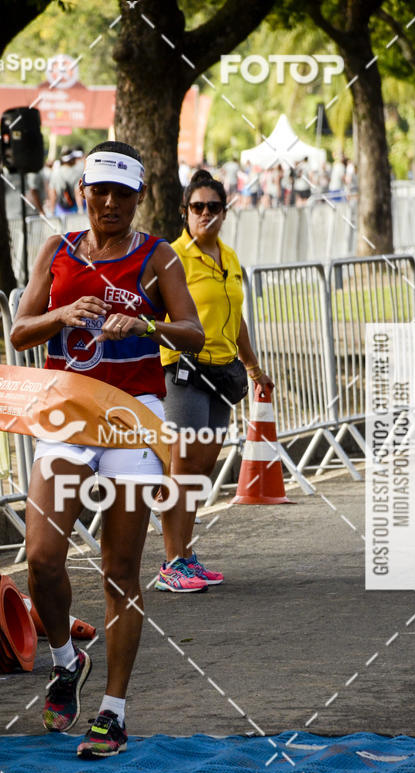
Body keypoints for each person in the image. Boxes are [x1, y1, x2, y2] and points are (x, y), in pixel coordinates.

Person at [10, 141, 204, 757]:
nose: (111, 203)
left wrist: (146, 323)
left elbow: (195, 333)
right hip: (67, 411)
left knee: (121, 569)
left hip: (131, 418)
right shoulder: (58, 250)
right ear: (83, 193)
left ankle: (113, 710)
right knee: (41, 556)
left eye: (123, 193)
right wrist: (63, 313)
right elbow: (19, 333)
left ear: (140, 198)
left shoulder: (158, 256)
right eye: (101, 192)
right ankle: (66, 659)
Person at [157, 169, 274, 592]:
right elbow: (150, 313)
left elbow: (236, 318)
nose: (205, 214)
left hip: (222, 374)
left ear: (224, 212)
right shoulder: (172, 257)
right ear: (185, 212)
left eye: (214, 207)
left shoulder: (229, 256)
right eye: (197, 207)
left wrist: (254, 366)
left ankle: (185, 555)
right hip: (184, 371)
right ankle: (171, 562)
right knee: (184, 466)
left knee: (203, 469)